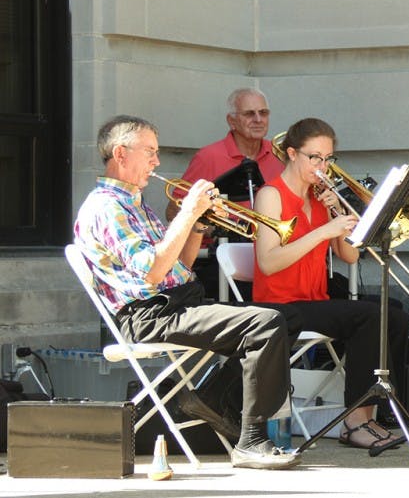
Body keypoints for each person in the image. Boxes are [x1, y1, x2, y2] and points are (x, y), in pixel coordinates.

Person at [74, 115, 301, 469]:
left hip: (176, 302)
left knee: (283, 319)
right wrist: (187, 212)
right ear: (121, 153)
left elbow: (178, 265)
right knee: (265, 323)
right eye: (149, 151)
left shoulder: (134, 202)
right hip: (149, 315)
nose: (157, 161)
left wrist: (197, 224)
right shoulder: (106, 207)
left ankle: (212, 401)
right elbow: (152, 270)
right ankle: (252, 439)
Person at [251, 117, 409, 449]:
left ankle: (380, 415)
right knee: (369, 317)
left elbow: (349, 257)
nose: (322, 166)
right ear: (292, 154)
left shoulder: (320, 198)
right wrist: (322, 232)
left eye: (328, 159)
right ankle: (355, 422)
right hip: (280, 305)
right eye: (315, 157)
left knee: (394, 315)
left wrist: (338, 218)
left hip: (314, 302)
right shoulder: (270, 195)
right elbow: (268, 261)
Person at [165, 88, 285, 299]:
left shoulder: (280, 156)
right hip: (220, 259)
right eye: (249, 114)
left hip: (271, 255)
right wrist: (205, 220)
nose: (258, 119)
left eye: (263, 113)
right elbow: (173, 209)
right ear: (232, 121)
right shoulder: (209, 157)